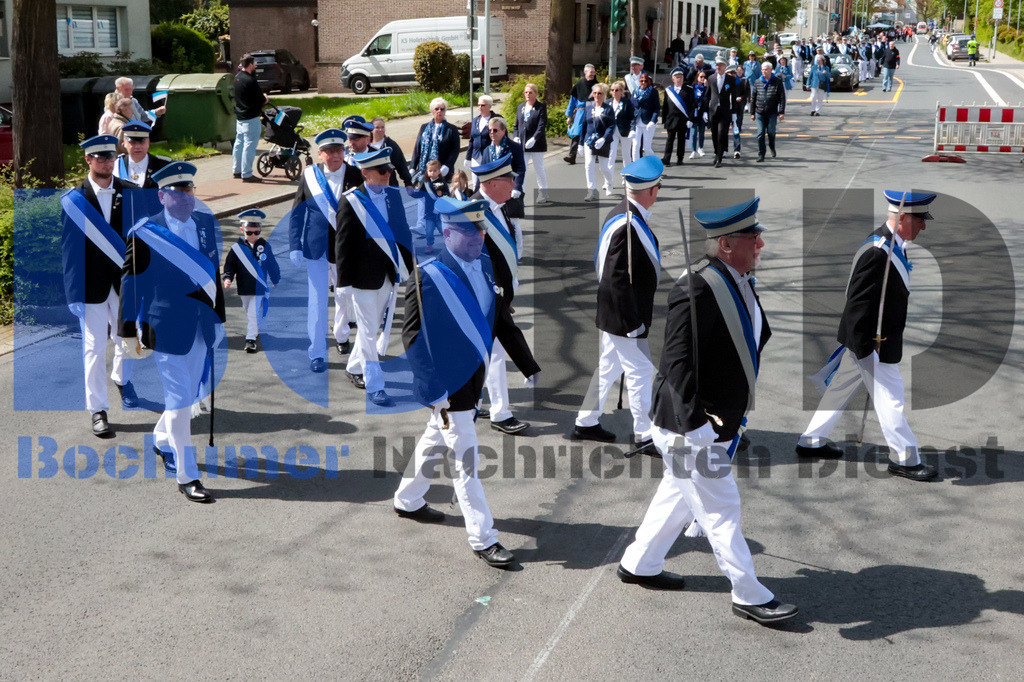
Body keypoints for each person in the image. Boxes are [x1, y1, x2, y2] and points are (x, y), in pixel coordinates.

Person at [617, 196, 799, 626]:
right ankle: (749, 594)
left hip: (717, 419)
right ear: (725, 244)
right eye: (753, 239)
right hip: (691, 425)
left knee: (676, 499)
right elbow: (676, 362)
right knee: (721, 509)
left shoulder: (740, 278)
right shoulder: (696, 287)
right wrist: (694, 423)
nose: (761, 246)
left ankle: (639, 563)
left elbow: (751, 339)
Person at [392, 197, 540, 568]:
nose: (479, 236)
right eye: (471, 230)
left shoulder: (486, 265)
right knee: (466, 460)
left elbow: (499, 319)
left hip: (474, 378)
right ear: (447, 233)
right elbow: (413, 339)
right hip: (448, 387)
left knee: (434, 439)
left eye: (481, 229)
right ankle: (483, 537)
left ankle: (407, 499)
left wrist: (527, 363)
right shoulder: (427, 276)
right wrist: (434, 391)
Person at [797, 191, 939, 483]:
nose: (923, 227)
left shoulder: (891, 245)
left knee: (839, 389)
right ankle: (904, 459)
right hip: (872, 343)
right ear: (902, 219)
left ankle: (811, 441)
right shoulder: (878, 252)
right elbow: (857, 304)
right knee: (891, 398)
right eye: (920, 220)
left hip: (868, 340)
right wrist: (864, 351)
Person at [119, 161, 226, 503]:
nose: (187, 197)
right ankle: (187, 474)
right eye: (179, 192)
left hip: (201, 325)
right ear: (162, 196)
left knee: (190, 395)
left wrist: (219, 320)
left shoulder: (207, 225)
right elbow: (131, 285)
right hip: (165, 326)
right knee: (180, 400)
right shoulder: (146, 233)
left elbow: (213, 276)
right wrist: (126, 331)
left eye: (190, 190)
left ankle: (162, 439)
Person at [572, 156, 663, 450]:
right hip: (623, 316)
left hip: (615, 313)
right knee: (640, 370)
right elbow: (616, 279)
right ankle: (644, 434)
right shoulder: (628, 225)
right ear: (652, 191)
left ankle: (586, 421)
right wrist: (632, 324)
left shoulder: (623, 214)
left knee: (609, 366)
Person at [61, 134, 139, 437]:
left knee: (128, 343)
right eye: (100, 157)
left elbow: (140, 245)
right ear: (88, 160)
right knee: (93, 348)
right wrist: (73, 292)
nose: (106, 162)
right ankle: (98, 410)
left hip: (125, 285)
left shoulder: (131, 193)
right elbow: (70, 250)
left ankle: (121, 378)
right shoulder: (74, 199)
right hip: (91, 287)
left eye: (110, 157)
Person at [336, 147, 415, 407]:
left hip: (387, 275)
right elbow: (343, 244)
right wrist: (343, 283)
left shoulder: (393, 197)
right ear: (365, 173)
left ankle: (355, 366)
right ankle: (375, 384)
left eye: (390, 170)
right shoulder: (352, 201)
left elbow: (403, 233)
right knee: (369, 331)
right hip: (362, 278)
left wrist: (410, 270)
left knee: (373, 328)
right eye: (383, 171)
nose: (389, 174)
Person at [472, 154, 532, 435]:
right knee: (496, 353)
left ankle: (472, 401)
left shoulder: (501, 207)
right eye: (508, 179)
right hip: (484, 297)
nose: (513, 183)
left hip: (501, 295)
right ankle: (501, 412)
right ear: (493, 183)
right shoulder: (473, 212)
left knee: (482, 353)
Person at [289, 128, 352, 371]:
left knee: (344, 296)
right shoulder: (310, 176)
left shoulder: (355, 175)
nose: (336, 156)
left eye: (339, 151)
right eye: (330, 152)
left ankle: (341, 334)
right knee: (316, 301)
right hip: (316, 248)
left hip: (346, 249)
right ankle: (316, 352)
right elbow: (297, 213)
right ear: (320, 153)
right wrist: (295, 245)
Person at [222, 209, 281, 353]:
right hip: (243, 287)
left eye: (256, 232)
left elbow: (272, 263)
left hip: (259, 286)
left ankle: (250, 340)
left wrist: (275, 278)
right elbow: (230, 265)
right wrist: (228, 277)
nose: (253, 236)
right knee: (248, 309)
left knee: (252, 313)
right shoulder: (236, 248)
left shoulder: (265, 246)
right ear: (242, 230)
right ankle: (254, 329)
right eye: (249, 233)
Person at [233, 54, 269, 183]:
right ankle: (247, 174)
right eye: (254, 63)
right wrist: (266, 98)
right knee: (249, 145)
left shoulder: (237, 78)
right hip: (251, 117)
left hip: (240, 116)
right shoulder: (250, 81)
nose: (256, 65)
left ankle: (236, 170)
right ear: (250, 65)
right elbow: (260, 99)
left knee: (239, 143)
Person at [513, 82, 550, 205]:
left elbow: (541, 126)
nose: (528, 94)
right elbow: (516, 125)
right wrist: (516, 137)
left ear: (536, 94)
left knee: (539, 169)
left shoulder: (541, 107)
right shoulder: (521, 107)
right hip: (522, 145)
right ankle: (519, 192)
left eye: (530, 92)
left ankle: (543, 192)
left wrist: (534, 138)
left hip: (536, 144)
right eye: (526, 92)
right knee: (521, 170)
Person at [410, 97, 461, 183]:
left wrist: (447, 166)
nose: (439, 111)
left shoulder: (452, 129)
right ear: (432, 111)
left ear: (445, 111)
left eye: (442, 109)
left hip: (442, 172)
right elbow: (417, 148)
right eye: (436, 109)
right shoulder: (424, 127)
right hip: (424, 172)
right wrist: (412, 167)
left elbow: (455, 150)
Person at [580, 82, 616, 202]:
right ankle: (592, 190)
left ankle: (609, 183)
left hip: (603, 141)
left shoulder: (609, 109)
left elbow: (611, 126)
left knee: (604, 168)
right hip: (589, 141)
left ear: (604, 95)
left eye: (599, 93)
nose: (597, 95)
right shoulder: (589, 108)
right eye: (595, 93)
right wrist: (580, 143)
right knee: (588, 165)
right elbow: (584, 126)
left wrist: (604, 138)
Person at [113, 121, 170, 189]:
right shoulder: (116, 165)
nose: (137, 146)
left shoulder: (162, 166)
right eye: (132, 142)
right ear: (124, 142)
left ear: (148, 142)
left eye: (141, 142)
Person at [750, 61, 786, 162]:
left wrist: (781, 112)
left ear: (770, 70)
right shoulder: (758, 81)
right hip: (759, 111)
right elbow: (753, 98)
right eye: (762, 69)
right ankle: (761, 154)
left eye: (766, 69)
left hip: (772, 112)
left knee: (771, 132)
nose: (764, 71)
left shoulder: (777, 81)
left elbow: (782, 98)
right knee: (760, 133)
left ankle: (772, 146)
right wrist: (752, 112)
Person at [464, 95, 503, 186]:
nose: (480, 107)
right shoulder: (475, 120)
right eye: (479, 105)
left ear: (489, 106)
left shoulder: (497, 119)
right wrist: (468, 157)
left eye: (483, 105)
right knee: (476, 184)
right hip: (476, 156)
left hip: (491, 156)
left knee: (489, 183)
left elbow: (503, 138)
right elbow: (472, 140)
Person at [706, 56, 737, 169]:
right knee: (714, 134)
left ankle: (719, 157)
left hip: (725, 110)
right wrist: (705, 111)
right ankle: (716, 153)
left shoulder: (730, 79)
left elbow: (733, 97)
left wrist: (734, 112)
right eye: (717, 65)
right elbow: (707, 95)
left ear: (725, 67)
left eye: (720, 65)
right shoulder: (711, 78)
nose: (718, 67)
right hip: (713, 110)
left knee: (721, 134)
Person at [564, 64, 598, 164]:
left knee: (593, 132)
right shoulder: (579, 84)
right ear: (585, 72)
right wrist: (569, 116)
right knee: (577, 133)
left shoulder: (597, 85)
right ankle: (572, 155)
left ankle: (595, 153)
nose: (592, 74)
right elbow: (572, 101)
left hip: (593, 111)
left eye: (593, 72)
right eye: (590, 72)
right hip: (580, 112)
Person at [414, 159, 448, 254]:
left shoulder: (442, 182)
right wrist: (412, 192)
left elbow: (447, 195)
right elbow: (420, 194)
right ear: (427, 171)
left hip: (439, 213)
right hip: (429, 213)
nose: (432, 173)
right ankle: (430, 245)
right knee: (429, 231)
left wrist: (442, 195)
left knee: (443, 230)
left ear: (439, 171)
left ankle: (449, 243)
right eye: (430, 171)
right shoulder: (425, 184)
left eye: (434, 170)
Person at [369, 117, 414, 188]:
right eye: (377, 128)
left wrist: (408, 183)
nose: (380, 130)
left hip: (391, 185)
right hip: (373, 187)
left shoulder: (391, 145)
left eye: (382, 127)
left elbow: (401, 164)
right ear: (371, 130)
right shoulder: (367, 146)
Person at [660, 68, 691, 167]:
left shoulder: (688, 90)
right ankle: (667, 159)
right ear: (673, 79)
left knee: (681, 140)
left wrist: (690, 119)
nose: (679, 79)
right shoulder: (668, 91)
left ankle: (680, 158)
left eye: (681, 77)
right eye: (677, 77)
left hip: (683, 120)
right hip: (671, 120)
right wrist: (664, 120)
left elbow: (692, 106)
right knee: (670, 140)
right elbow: (665, 106)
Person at [631, 71, 659, 160]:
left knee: (646, 148)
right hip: (637, 122)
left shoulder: (653, 91)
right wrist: (631, 125)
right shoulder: (635, 91)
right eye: (641, 81)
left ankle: (655, 166)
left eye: (645, 81)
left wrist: (653, 121)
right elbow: (632, 107)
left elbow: (656, 108)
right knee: (635, 146)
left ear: (649, 82)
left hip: (648, 122)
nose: (643, 83)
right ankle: (636, 167)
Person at [341, 115, 375, 191]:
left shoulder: (377, 156)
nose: (352, 142)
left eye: (356, 139)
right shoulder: (342, 155)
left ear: (367, 139)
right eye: (350, 139)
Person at [608, 80, 636, 170]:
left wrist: (632, 129)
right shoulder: (608, 102)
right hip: (612, 131)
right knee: (611, 154)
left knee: (626, 154)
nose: (614, 92)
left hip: (624, 130)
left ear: (621, 92)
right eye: (612, 90)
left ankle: (626, 176)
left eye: (616, 90)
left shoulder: (627, 103)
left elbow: (632, 117)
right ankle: (608, 180)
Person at [688, 70, 709, 159]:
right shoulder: (693, 88)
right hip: (694, 112)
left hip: (702, 112)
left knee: (701, 132)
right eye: (701, 77)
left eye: (704, 77)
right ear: (697, 78)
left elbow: (708, 99)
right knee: (693, 133)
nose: (702, 78)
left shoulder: (706, 88)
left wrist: (706, 86)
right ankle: (693, 150)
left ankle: (701, 147)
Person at [730, 64, 749, 159]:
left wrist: (741, 97)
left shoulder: (740, 82)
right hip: (726, 110)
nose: (733, 75)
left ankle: (737, 150)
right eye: (731, 73)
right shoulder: (724, 83)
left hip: (737, 109)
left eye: (734, 73)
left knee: (736, 130)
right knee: (723, 131)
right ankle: (724, 150)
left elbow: (745, 94)